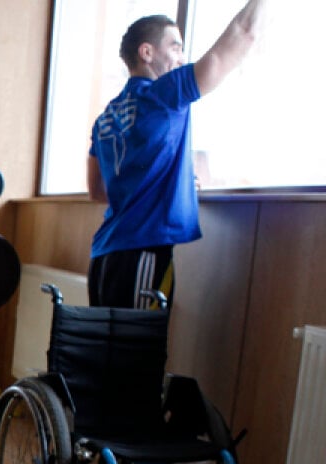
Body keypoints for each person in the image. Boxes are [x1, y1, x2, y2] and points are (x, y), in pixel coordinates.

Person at [87, 0, 267, 308]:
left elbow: (98, 191)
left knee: (107, 350)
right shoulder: (164, 94)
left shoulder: (106, 118)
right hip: (144, 249)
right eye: (175, 47)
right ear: (147, 52)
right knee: (139, 351)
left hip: (105, 254)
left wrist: (174, 181)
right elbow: (243, 34)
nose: (182, 58)